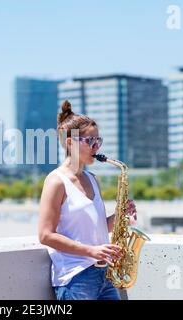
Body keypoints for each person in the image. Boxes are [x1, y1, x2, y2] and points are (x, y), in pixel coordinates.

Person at [38, 100, 138, 300]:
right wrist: (91, 251)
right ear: (70, 142)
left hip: (104, 275)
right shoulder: (56, 181)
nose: (96, 147)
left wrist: (121, 216)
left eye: (98, 141)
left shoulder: (92, 179)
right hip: (75, 278)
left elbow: (98, 226)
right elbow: (45, 235)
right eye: (90, 141)